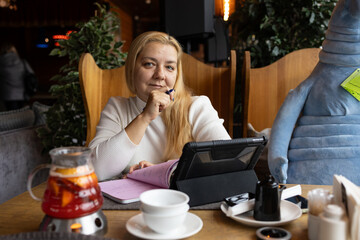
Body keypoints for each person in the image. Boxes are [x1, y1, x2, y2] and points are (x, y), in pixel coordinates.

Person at [89, 31, 231, 181]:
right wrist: (145, 117)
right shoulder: (117, 108)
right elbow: (96, 170)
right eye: (149, 64)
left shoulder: (196, 107)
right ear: (132, 69)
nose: (160, 75)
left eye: (169, 67)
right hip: (131, 203)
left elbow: (227, 161)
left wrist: (161, 172)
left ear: (177, 74)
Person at [0, 42, 35, 111]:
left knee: (10, 115)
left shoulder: (1, 62)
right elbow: (31, 74)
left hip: (6, 94)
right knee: (20, 115)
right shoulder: (22, 62)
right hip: (21, 93)